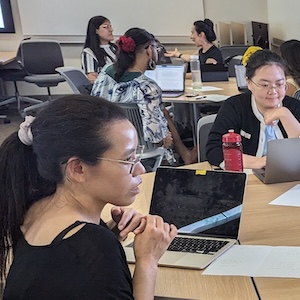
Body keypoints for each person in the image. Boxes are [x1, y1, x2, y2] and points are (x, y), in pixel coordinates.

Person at [0, 95, 177, 299]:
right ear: (78, 169)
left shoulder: (36, 210)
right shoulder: (95, 247)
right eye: (128, 160)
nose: (140, 169)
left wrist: (108, 232)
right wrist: (148, 261)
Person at [91, 27, 198, 165]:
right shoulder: (148, 87)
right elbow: (156, 138)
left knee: (163, 112)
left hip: (111, 147)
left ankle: (185, 155)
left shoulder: (106, 71)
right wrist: (165, 138)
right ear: (148, 50)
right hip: (145, 155)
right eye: (155, 47)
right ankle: (187, 157)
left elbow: (94, 104)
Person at [206, 49, 300, 169]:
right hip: (246, 179)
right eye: (265, 85)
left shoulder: (294, 107)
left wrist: (285, 115)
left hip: (289, 182)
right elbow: (214, 150)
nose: (273, 91)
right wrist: (260, 162)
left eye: (280, 84)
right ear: (249, 83)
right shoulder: (235, 106)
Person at [81, 16, 117, 83]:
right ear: (96, 30)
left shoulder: (116, 48)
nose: (111, 30)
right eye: (105, 27)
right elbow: (91, 77)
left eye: (110, 26)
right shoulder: (89, 52)